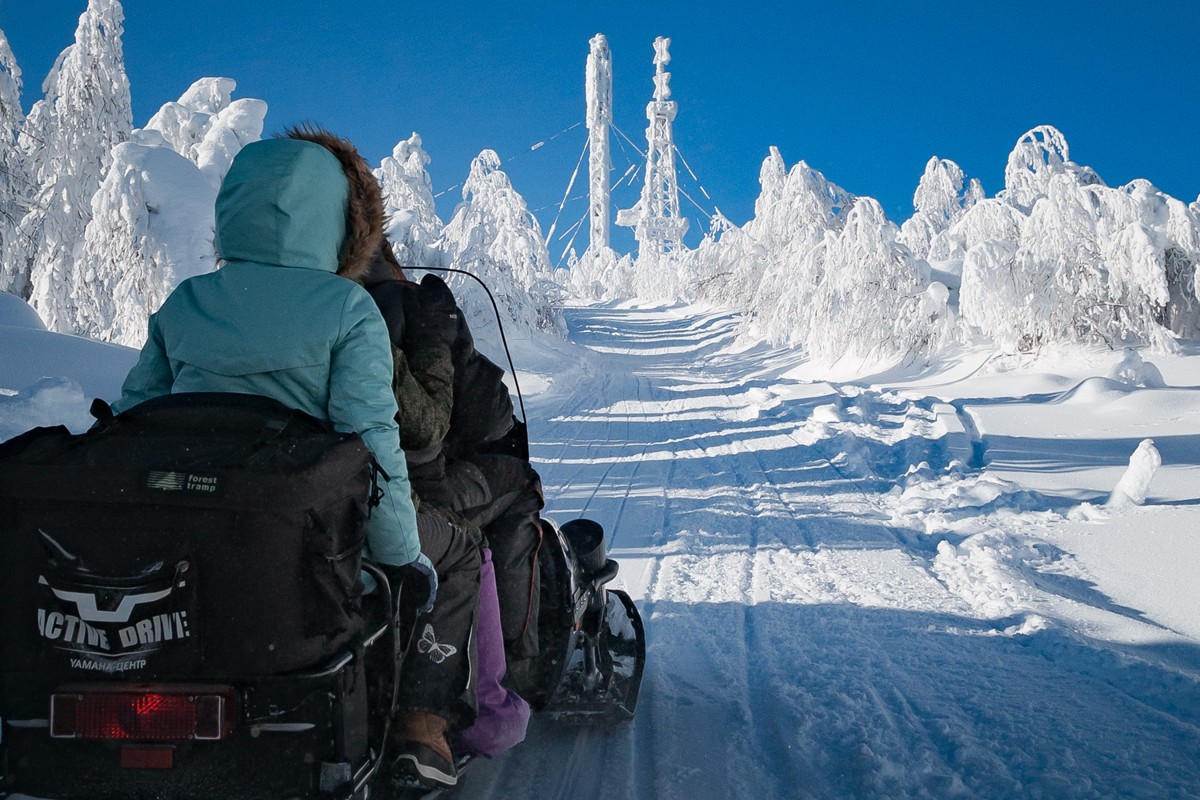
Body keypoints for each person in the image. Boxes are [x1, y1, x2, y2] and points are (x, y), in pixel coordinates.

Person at [109, 127, 470, 787]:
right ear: (340, 223)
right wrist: (400, 555)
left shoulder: (186, 303)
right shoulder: (346, 309)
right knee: (458, 554)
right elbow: (373, 439)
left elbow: (133, 426)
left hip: (187, 537)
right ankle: (422, 732)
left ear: (234, 211)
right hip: (302, 542)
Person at [360, 244, 533, 761]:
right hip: (401, 489)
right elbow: (452, 423)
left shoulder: (258, 302)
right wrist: (442, 340)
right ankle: (496, 686)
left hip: (284, 483)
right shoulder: (392, 309)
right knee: (516, 487)